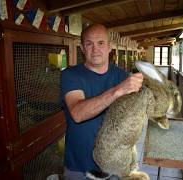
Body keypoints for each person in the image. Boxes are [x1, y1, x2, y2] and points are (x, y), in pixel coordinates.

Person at [60, 23, 143, 179]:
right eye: (89, 44)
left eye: (100, 43)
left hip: (114, 165)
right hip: (78, 166)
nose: (95, 49)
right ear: (82, 48)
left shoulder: (122, 76)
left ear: (110, 47)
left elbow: (132, 118)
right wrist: (118, 91)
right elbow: (78, 113)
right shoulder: (71, 75)